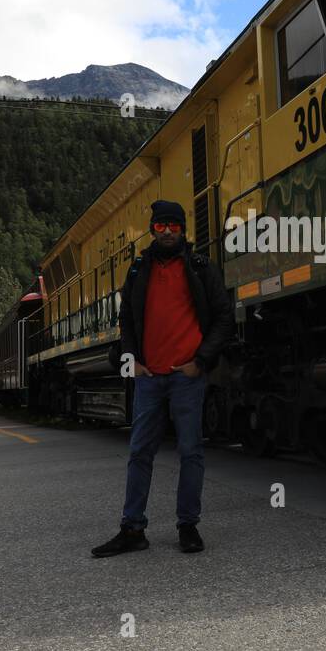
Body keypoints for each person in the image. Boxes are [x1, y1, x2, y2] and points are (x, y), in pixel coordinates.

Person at [92, 200, 232, 558]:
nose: (167, 231)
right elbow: (126, 319)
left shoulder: (202, 268)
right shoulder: (138, 269)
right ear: (152, 230)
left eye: (173, 225)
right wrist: (132, 361)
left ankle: (188, 526)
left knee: (191, 451)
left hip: (186, 375)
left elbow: (223, 317)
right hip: (149, 377)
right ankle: (132, 528)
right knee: (139, 452)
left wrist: (201, 361)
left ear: (183, 230)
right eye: (160, 226)